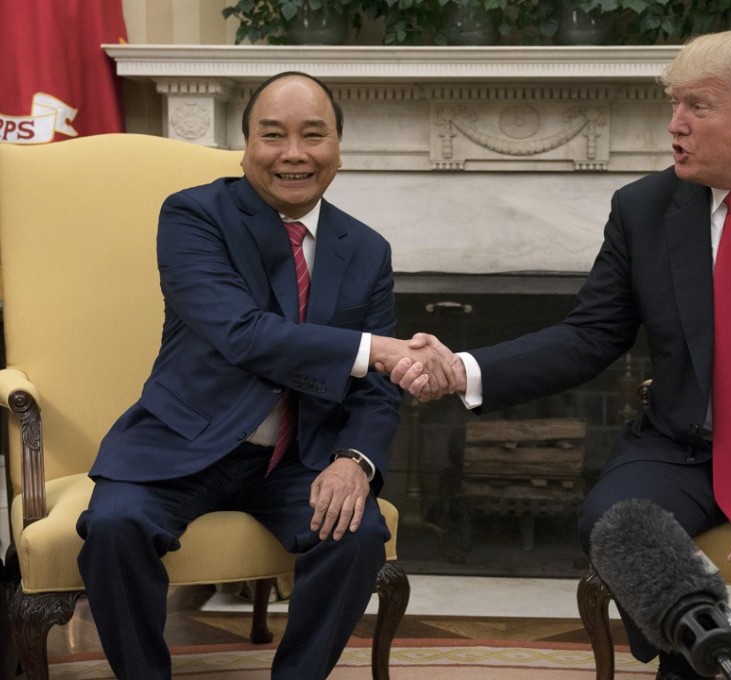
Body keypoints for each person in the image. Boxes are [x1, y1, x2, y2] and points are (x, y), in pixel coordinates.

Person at [390, 31, 731, 680]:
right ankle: (695, 662)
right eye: (673, 104)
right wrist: (464, 368)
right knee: (613, 521)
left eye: (697, 107)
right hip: (691, 443)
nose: (674, 124)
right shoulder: (643, 209)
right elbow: (590, 335)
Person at [75, 71, 451, 679]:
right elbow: (242, 332)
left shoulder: (366, 249)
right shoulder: (194, 215)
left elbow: (376, 389)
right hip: (185, 442)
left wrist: (354, 461)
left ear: (338, 148)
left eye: (313, 135)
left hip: (300, 457)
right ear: (246, 144)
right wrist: (375, 348)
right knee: (115, 526)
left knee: (356, 535)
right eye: (273, 135)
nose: (293, 153)